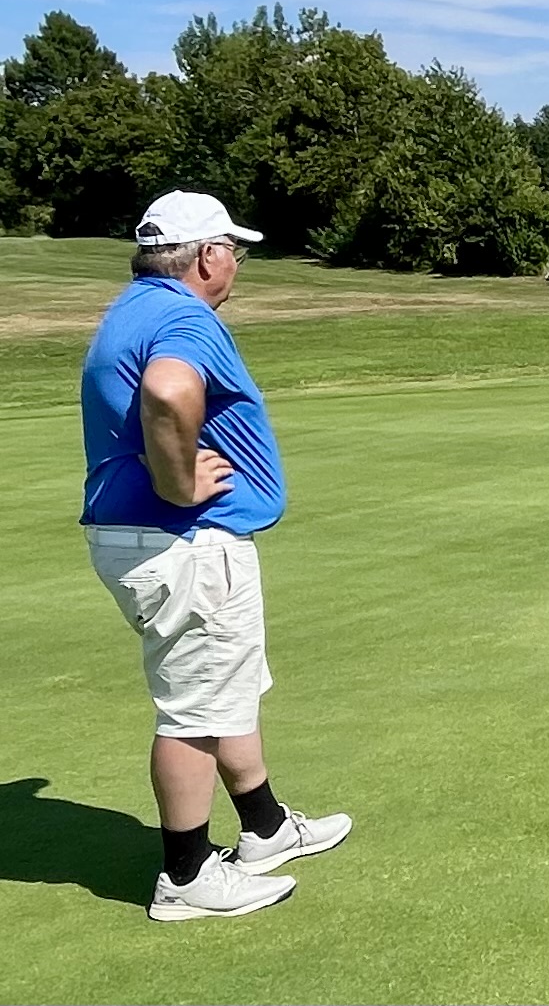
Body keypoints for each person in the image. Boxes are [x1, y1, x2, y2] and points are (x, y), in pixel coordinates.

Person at [81, 191, 351, 921]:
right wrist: (179, 484)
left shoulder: (134, 307)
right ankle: (187, 875)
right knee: (195, 712)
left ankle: (265, 827)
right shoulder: (183, 317)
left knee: (224, 689)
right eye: (234, 251)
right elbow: (169, 391)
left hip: (155, 539)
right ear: (206, 256)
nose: (236, 264)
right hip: (186, 542)